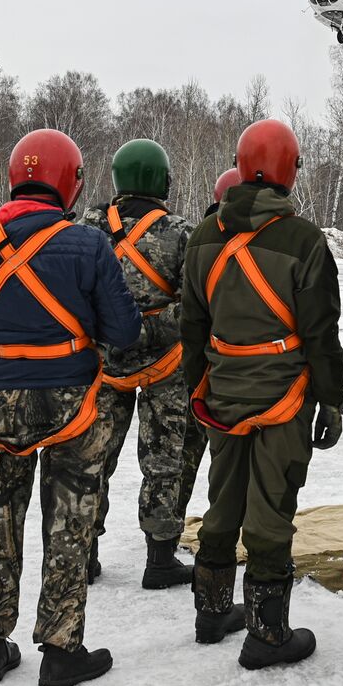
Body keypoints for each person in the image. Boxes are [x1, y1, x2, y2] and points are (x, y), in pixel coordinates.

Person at [0, 129, 141, 686]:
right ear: (70, 183)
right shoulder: (88, 244)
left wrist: (5, 323)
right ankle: (60, 649)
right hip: (72, 400)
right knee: (70, 521)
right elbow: (123, 330)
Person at [180, 119, 343, 668]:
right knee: (271, 510)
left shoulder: (203, 238)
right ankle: (268, 635)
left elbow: (192, 328)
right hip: (286, 396)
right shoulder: (304, 242)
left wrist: (196, 390)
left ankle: (211, 614)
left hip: (222, 395)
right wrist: (332, 398)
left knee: (222, 499)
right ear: (288, 170)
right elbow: (320, 331)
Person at [82, 139, 205, 590]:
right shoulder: (180, 231)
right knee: (163, 461)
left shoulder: (88, 225)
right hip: (165, 365)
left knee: (93, 459)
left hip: (101, 364)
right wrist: (151, 329)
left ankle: (83, 555)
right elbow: (195, 304)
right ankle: (159, 560)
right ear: (162, 180)